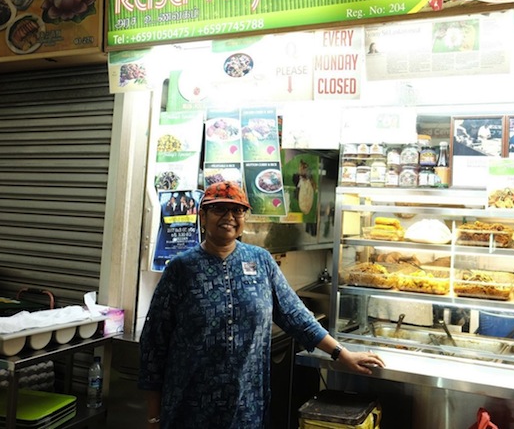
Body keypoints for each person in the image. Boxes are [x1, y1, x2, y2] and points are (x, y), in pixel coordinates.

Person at [139, 181, 384, 428]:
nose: (229, 217)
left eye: (237, 211)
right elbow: (154, 344)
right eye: (219, 209)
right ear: (202, 215)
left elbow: (296, 315)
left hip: (246, 406)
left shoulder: (260, 261)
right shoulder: (181, 268)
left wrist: (341, 354)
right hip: (190, 407)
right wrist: (154, 415)